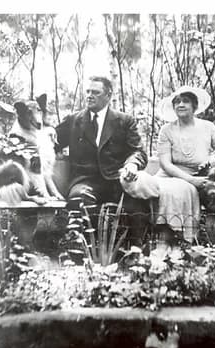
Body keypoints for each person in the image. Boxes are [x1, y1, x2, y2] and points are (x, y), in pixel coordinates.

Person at [55, 75, 149, 246]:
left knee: (137, 204)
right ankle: (85, 254)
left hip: (117, 180)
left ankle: (135, 254)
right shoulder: (73, 120)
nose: (90, 95)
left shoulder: (124, 121)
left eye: (96, 92)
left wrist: (132, 165)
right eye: (88, 91)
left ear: (108, 95)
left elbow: (138, 151)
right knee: (78, 201)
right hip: (85, 181)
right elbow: (50, 142)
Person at [154, 85, 215, 243]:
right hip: (169, 176)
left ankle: (212, 243)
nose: (181, 105)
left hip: (199, 176)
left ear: (195, 106)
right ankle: (166, 240)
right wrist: (191, 180)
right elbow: (165, 164)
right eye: (177, 102)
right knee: (171, 192)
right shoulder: (166, 130)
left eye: (186, 101)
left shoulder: (207, 127)